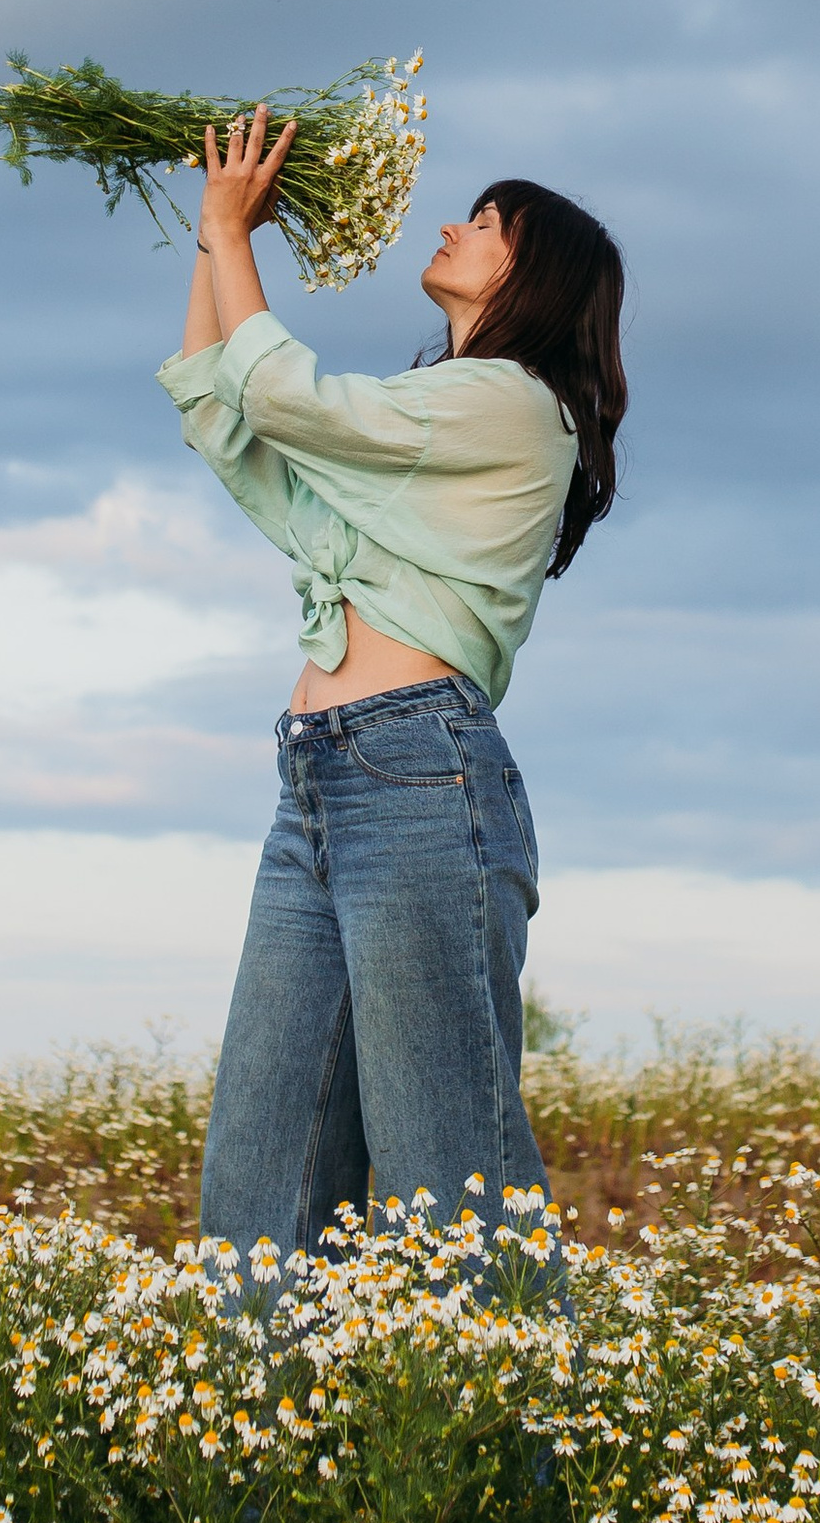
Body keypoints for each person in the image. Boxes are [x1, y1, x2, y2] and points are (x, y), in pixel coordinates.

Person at [158, 102, 627, 1294]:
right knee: (258, 1192)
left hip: (420, 781)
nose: (450, 227)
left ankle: (523, 1472)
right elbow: (235, 419)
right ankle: (261, 1476)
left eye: (484, 221)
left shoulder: (517, 408)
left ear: (540, 275)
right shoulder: (428, 432)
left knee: (446, 1187)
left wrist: (233, 232)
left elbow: (291, 401)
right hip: (317, 782)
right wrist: (221, 240)